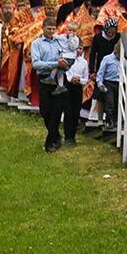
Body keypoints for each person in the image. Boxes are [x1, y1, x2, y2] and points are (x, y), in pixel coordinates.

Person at [29, 11, 80, 152]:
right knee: (45, 111)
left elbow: (71, 48)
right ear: (43, 28)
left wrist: (65, 63)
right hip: (45, 79)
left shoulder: (60, 40)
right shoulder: (36, 44)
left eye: (53, 29)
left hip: (60, 79)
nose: (51, 31)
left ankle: (50, 142)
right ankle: (56, 135)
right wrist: (54, 64)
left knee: (57, 111)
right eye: (49, 29)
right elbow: (36, 64)